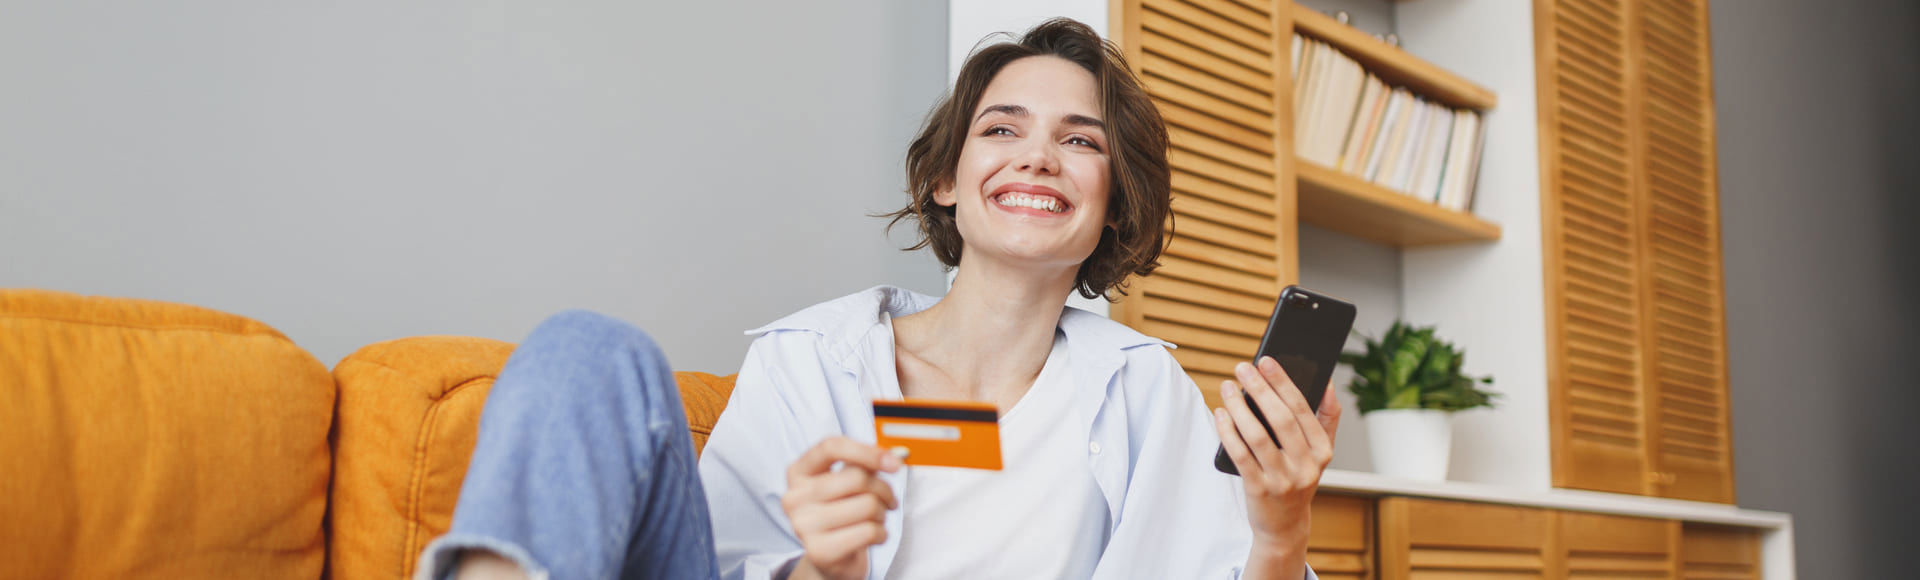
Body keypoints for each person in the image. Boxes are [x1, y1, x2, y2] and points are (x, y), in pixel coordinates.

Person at [418, 17, 1337, 580]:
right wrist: (823, 570)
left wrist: (1282, 523)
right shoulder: (811, 356)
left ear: (1112, 202)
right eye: (1001, 128)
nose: (1037, 157)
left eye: (1081, 141)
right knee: (588, 348)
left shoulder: (1144, 392)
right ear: (945, 177)